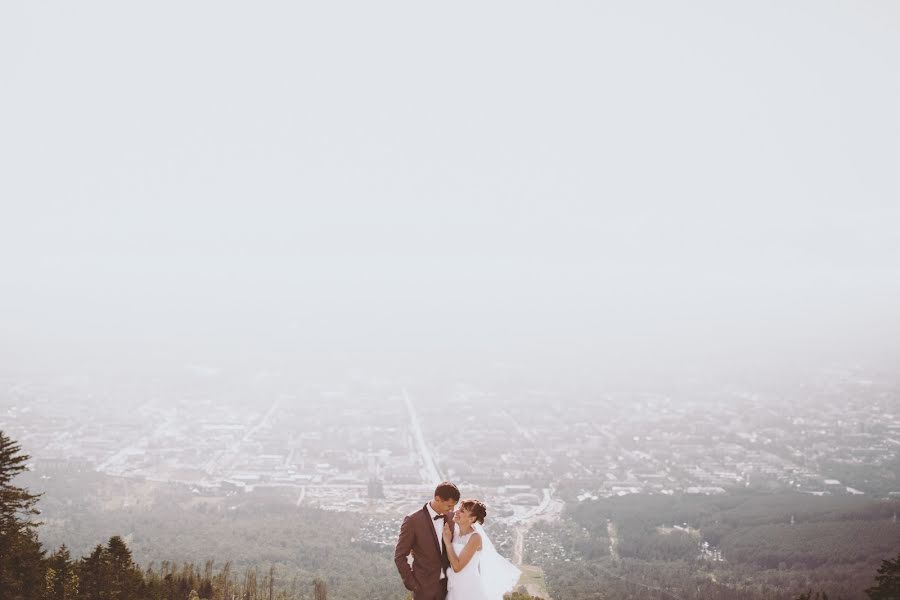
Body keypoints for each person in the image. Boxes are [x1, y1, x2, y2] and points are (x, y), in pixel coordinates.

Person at [442, 499, 521, 600]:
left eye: (462, 511)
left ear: (471, 518)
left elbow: (457, 567)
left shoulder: (475, 538)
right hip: (454, 586)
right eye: (458, 509)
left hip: (468, 589)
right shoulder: (454, 533)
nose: (456, 512)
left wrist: (448, 543)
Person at [394, 481, 460, 600]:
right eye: (449, 505)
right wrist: (412, 584)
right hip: (423, 589)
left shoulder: (451, 517)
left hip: (449, 587)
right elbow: (400, 556)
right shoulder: (412, 520)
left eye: (454, 505)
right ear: (438, 499)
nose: (452, 509)